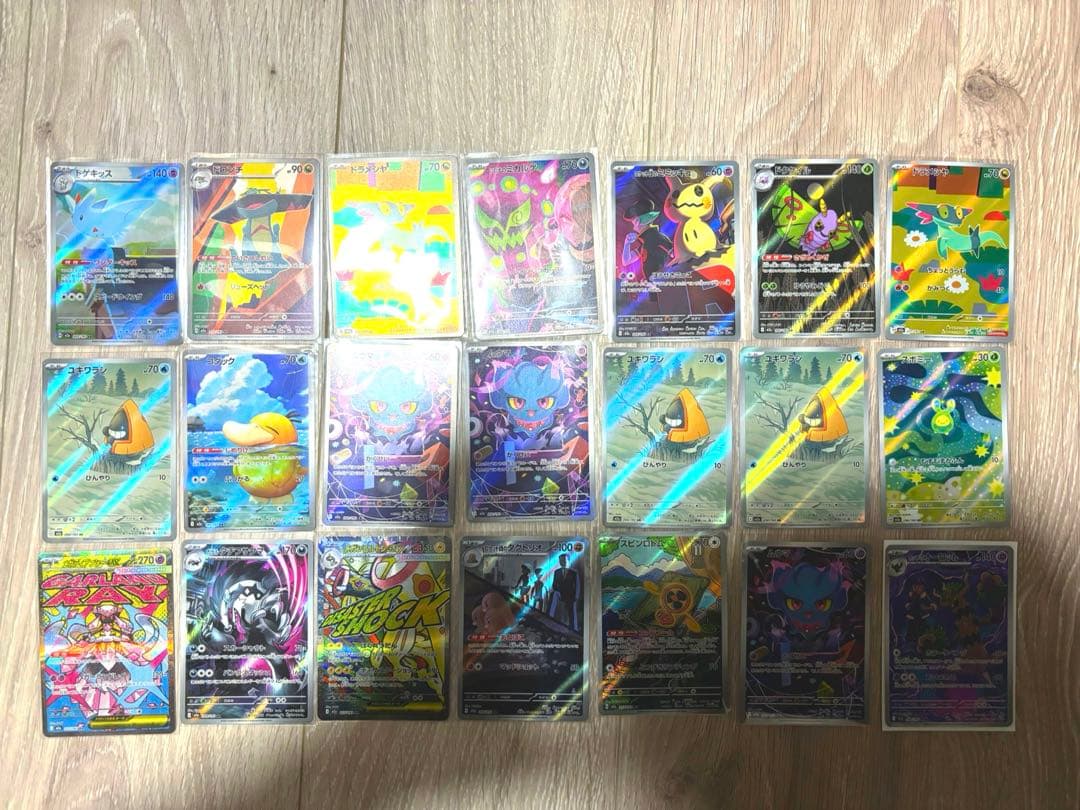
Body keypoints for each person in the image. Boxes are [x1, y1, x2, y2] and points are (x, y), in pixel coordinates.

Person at [548, 554, 580, 632]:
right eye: (561, 561)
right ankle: (549, 618)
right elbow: (554, 585)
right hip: (560, 594)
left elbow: (577, 586)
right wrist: (557, 590)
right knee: (554, 594)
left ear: (568, 561)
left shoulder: (574, 572)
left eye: (564, 560)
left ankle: (574, 628)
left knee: (572, 606)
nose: (563, 562)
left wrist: (576, 597)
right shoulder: (557, 572)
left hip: (570, 596)